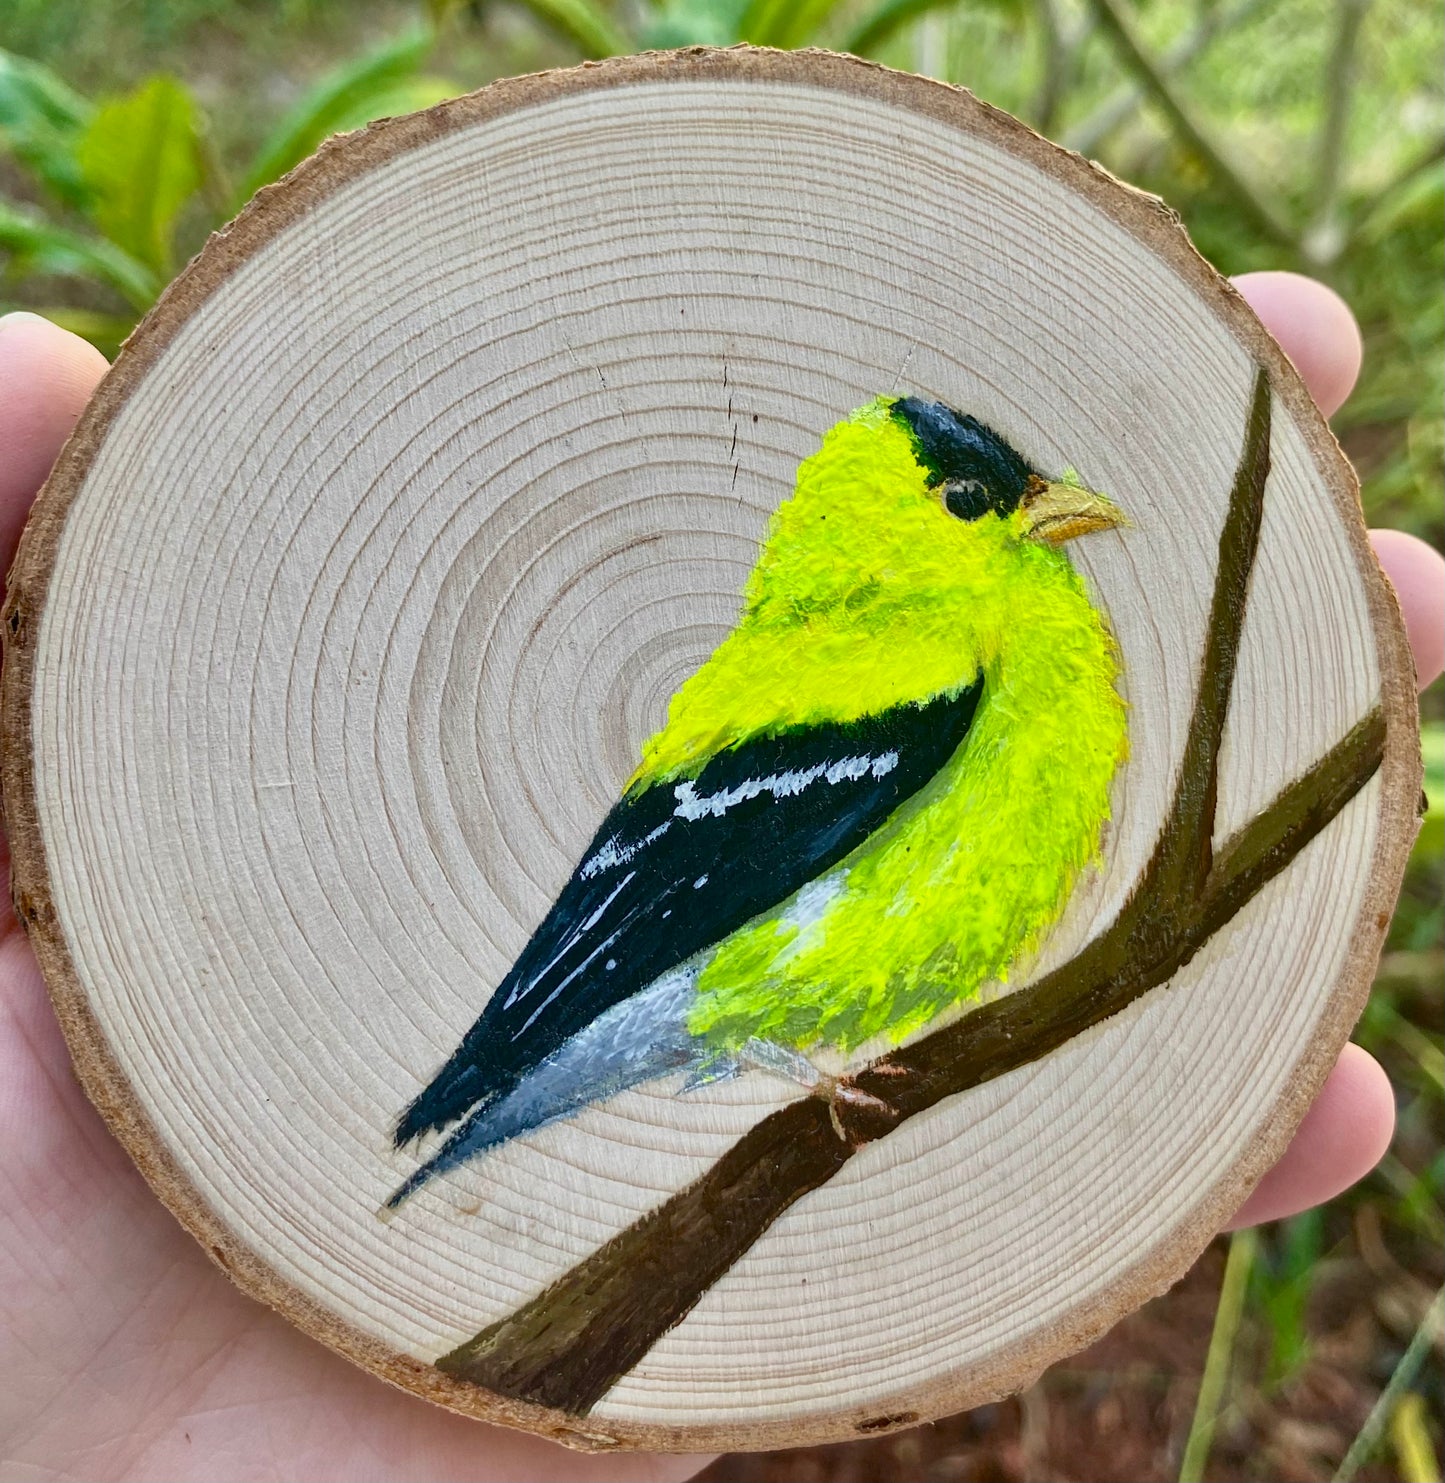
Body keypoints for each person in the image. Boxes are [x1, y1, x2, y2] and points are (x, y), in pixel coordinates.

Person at [0, 274, 1440, 1482]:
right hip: (702, 961)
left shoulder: (946, 632)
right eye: (974, 498)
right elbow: (696, 877)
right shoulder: (912, 648)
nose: (1041, 512)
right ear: (903, 520)